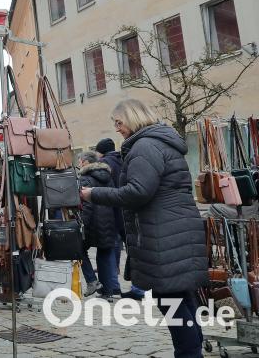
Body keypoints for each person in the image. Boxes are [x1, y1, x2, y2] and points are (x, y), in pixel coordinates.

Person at [82, 99, 207, 358]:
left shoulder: (145, 146)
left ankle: (189, 353)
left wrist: (93, 194)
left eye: (119, 122)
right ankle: (192, 351)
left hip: (164, 232)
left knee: (170, 299)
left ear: (133, 118)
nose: (117, 128)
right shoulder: (160, 142)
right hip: (175, 228)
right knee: (181, 296)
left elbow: (138, 191)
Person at [96, 138, 146, 300]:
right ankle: (138, 288)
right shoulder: (125, 159)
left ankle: (113, 286)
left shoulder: (103, 164)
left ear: (101, 151)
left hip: (112, 212)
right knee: (134, 250)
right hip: (130, 210)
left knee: (110, 250)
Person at [77, 150, 120, 299]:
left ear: (86, 162)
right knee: (105, 255)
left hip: (92, 222)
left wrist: (82, 224)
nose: (79, 164)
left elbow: (87, 204)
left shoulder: (85, 178)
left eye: (80, 161)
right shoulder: (107, 176)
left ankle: (91, 280)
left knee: (78, 249)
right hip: (108, 220)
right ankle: (107, 292)